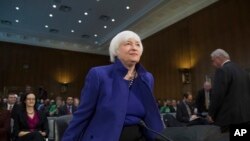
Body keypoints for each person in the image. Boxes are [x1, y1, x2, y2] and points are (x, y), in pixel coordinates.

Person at [62, 30, 164, 141]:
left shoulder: (147, 78)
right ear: (116, 51)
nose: (134, 47)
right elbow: (82, 114)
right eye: (128, 43)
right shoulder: (98, 74)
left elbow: (150, 115)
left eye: (138, 44)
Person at [207, 48, 250, 132]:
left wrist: (211, 113)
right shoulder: (243, 72)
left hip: (230, 118)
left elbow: (217, 95)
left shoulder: (222, 70)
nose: (213, 64)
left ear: (218, 58)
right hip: (246, 116)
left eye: (213, 61)